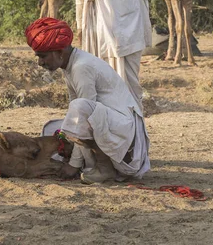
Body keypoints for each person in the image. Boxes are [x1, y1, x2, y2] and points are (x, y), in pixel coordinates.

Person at [26, 17, 150, 184]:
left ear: (60, 53)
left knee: (79, 109)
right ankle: (91, 161)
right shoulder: (70, 65)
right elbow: (76, 111)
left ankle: (104, 168)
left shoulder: (81, 67)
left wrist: (73, 164)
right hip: (110, 123)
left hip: (125, 132)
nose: (40, 62)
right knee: (51, 129)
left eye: (43, 56)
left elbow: (82, 115)